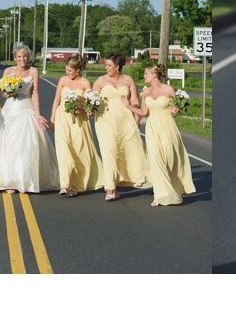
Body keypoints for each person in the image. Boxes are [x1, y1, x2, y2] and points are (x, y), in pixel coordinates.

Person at [0, 45, 59, 193]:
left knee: (26, 145)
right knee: (8, 143)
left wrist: (38, 114)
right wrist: (10, 92)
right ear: (15, 58)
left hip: (26, 108)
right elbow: (3, 94)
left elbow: (35, 93)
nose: (22, 59)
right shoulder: (8, 71)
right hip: (11, 108)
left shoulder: (33, 71)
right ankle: (11, 181)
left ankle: (24, 179)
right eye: (19, 56)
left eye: (25, 56)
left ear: (28, 57)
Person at [92, 53, 148, 201]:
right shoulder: (100, 81)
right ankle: (110, 188)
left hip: (126, 120)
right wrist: (88, 108)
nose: (106, 68)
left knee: (129, 151)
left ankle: (129, 179)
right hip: (105, 120)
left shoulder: (128, 80)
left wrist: (137, 121)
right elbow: (91, 100)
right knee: (109, 150)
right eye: (106, 65)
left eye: (109, 65)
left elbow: (135, 101)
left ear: (117, 67)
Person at [137, 64, 195, 206]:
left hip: (168, 127)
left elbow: (176, 107)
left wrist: (176, 109)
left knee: (169, 158)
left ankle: (174, 188)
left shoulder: (168, 89)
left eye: (146, 73)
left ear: (154, 75)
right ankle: (160, 195)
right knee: (155, 158)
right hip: (152, 128)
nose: (144, 76)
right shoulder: (145, 93)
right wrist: (128, 106)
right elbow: (144, 112)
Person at [50, 54, 103, 196]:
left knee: (79, 151)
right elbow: (56, 100)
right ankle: (64, 184)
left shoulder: (85, 83)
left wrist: (82, 109)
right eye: (66, 70)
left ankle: (76, 185)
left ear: (77, 70)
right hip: (62, 117)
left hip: (79, 120)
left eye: (69, 71)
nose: (67, 73)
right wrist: (52, 118)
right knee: (63, 149)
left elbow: (89, 106)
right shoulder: (62, 80)